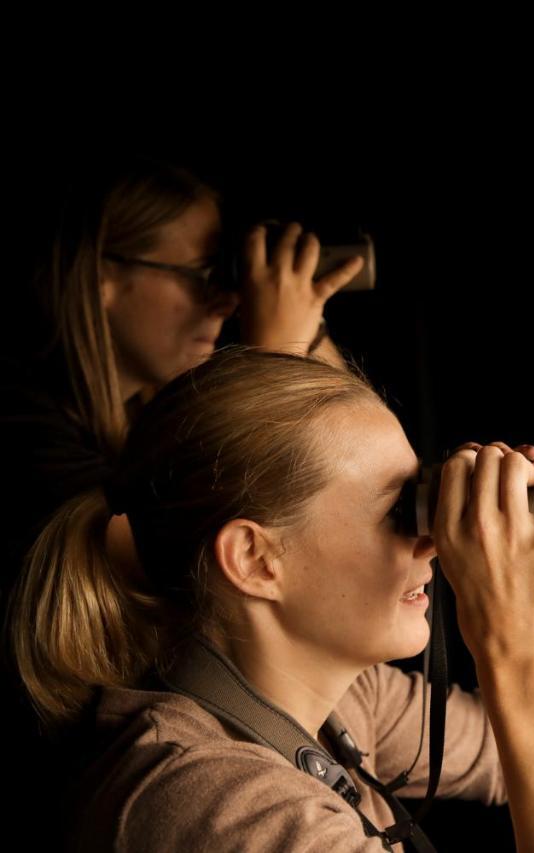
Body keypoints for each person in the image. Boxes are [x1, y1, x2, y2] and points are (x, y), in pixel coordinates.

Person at [6, 346, 534, 851]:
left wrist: (511, 557)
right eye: (398, 511)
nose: (434, 542)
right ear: (255, 560)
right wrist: (515, 647)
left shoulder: (343, 701)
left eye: (423, 498)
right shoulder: (209, 807)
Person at [0, 154, 368, 832]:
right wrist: (279, 348)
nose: (227, 300)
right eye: (203, 276)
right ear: (105, 277)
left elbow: (368, 466)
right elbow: (224, 555)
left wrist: (303, 336)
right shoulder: (21, 437)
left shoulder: (133, 434)